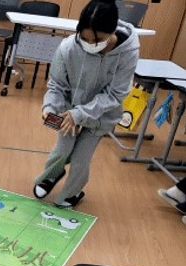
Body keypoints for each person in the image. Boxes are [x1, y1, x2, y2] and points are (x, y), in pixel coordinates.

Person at [33, 0, 139, 208]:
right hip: (69, 111)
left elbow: (116, 94)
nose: (91, 44)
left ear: (111, 31)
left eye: (98, 39)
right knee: (62, 150)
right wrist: (50, 108)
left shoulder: (128, 53)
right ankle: (51, 175)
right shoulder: (68, 48)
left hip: (102, 115)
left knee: (81, 159)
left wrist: (80, 114)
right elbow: (56, 84)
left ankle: (72, 192)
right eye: (85, 38)